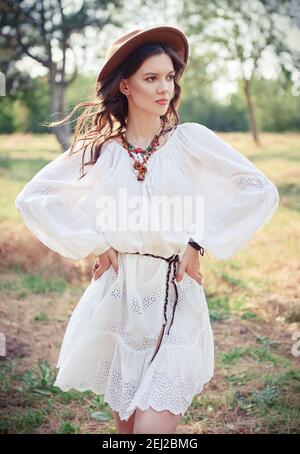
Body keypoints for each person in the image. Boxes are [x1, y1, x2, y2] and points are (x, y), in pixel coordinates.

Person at [15, 26, 279, 435]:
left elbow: (258, 188)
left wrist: (199, 241)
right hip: (119, 295)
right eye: (151, 78)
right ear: (125, 85)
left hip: (173, 292)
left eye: (170, 77)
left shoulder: (190, 140)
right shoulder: (100, 151)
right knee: (126, 430)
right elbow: (35, 197)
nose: (165, 88)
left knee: (151, 428)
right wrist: (96, 243)